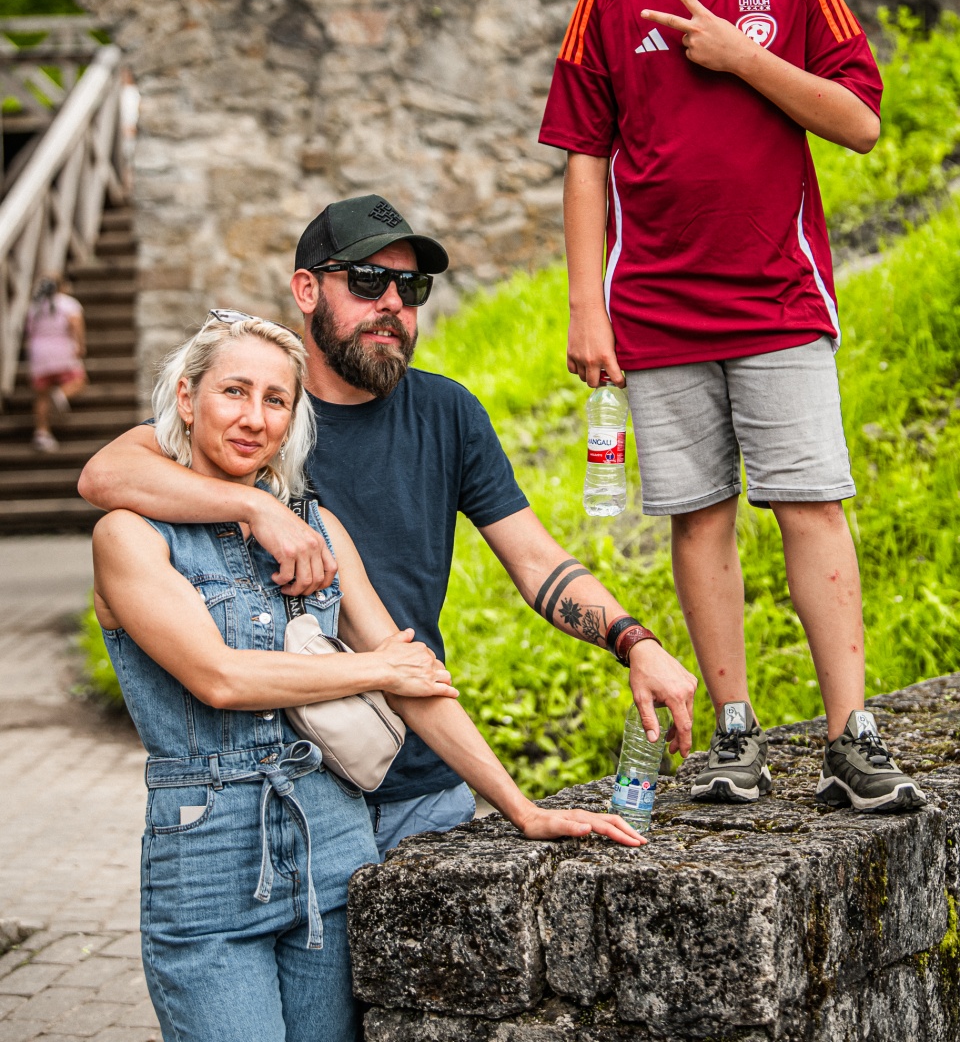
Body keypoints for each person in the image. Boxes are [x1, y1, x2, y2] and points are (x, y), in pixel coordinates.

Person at [80, 195, 698, 858]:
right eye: (368, 280)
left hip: (423, 772)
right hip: (299, 787)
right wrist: (257, 506)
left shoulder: (446, 413)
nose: (393, 304)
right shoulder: (252, 422)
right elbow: (105, 475)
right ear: (307, 290)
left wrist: (634, 641)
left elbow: (536, 561)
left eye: (412, 287)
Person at [539, 0, 924, 814]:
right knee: (698, 518)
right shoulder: (609, 0)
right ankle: (735, 734)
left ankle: (852, 735)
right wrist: (586, 307)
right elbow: (582, 158)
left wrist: (743, 57)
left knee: (812, 505)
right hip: (655, 310)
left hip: (779, 299)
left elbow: (858, 122)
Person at [93, 313, 641, 1042]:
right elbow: (220, 678)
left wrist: (521, 808)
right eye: (234, 392)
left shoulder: (317, 528)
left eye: (276, 400)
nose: (254, 418)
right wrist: (375, 667)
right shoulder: (129, 534)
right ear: (187, 400)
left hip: (333, 845)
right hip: (209, 861)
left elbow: (414, 677)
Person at [25, 274, 87, 452]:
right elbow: (75, 323)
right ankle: (60, 395)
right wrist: (80, 344)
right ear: (62, 286)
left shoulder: (35, 306)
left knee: (41, 395)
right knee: (79, 381)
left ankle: (42, 433)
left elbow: (29, 330)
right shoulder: (68, 303)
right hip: (62, 349)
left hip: (39, 352)